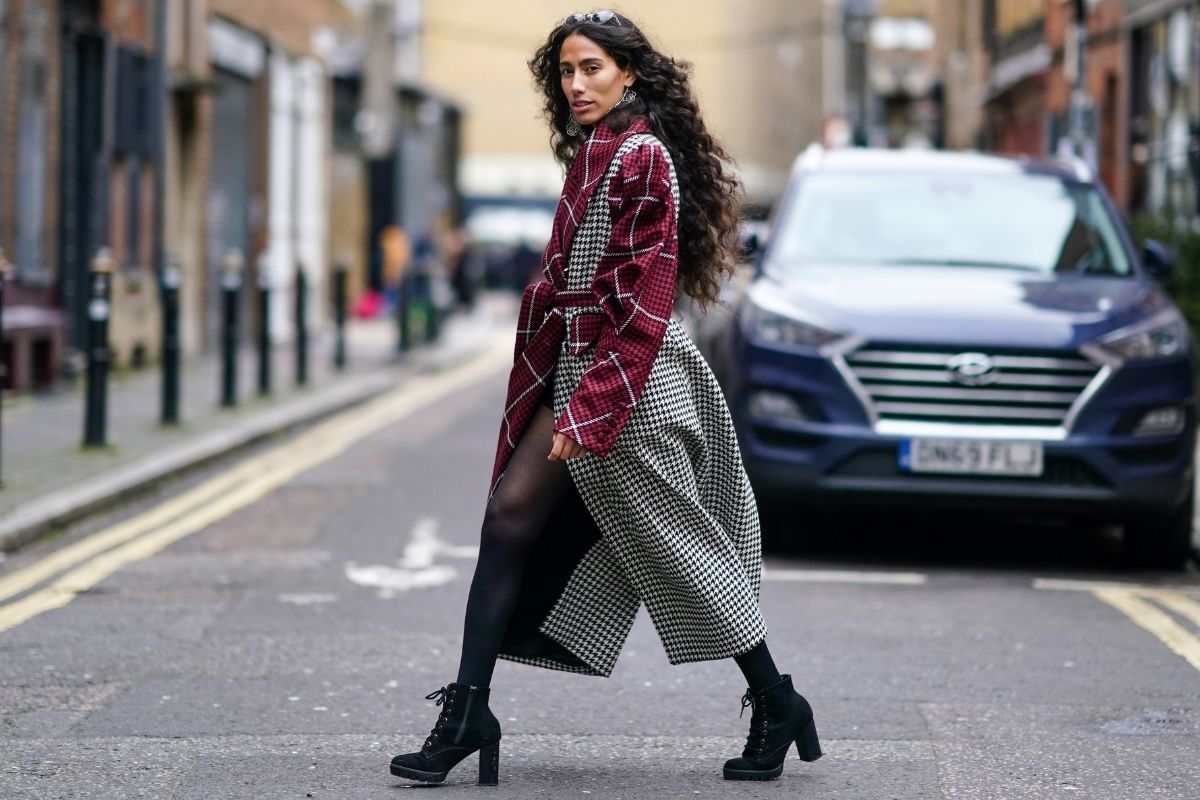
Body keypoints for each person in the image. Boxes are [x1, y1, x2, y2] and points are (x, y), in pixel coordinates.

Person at [389, 9, 821, 786]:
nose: (577, 84)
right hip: (585, 374)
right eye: (565, 71)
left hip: (635, 388)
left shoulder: (643, 158)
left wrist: (591, 411)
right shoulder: (595, 153)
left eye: (592, 68)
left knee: (683, 553)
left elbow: (643, 302)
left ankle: (777, 699)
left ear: (629, 73)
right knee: (507, 518)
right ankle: (467, 713)